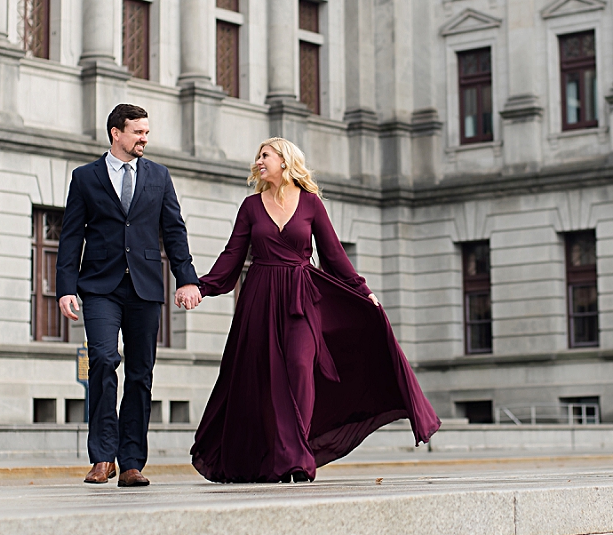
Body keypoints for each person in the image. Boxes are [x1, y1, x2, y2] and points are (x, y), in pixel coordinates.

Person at [188, 136, 440, 483]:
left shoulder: (310, 204)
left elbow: (334, 255)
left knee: (300, 369)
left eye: (265, 155)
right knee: (262, 378)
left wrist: (363, 291)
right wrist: (202, 287)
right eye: (258, 155)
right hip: (259, 298)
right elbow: (232, 256)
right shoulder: (250, 207)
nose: (258, 161)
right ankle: (279, 458)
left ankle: (295, 456)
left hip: (301, 299)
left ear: (285, 160)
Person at [56, 103, 202, 487]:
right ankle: (103, 457)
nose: (144, 139)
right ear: (115, 134)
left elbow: (174, 230)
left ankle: (132, 461)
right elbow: (70, 236)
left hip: (145, 287)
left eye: (146, 132)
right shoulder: (85, 177)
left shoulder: (159, 176)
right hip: (100, 286)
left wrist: (186, 278)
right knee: (103, 360)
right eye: (138, 132)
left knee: (140, 373)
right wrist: (65, 288)